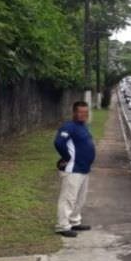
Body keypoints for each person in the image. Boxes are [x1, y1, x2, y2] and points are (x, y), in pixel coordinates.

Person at [53, 101, 96, 237]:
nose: (83, 115)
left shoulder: (83, 126)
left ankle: (74, 221)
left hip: (84, 168)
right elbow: (59, 142)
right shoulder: (69, 127)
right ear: (74, 113)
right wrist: (66, 157)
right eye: (80, 112)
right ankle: (62, 226)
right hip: (73, 169)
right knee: (68, 198)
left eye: (86, 112)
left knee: (80, 198)